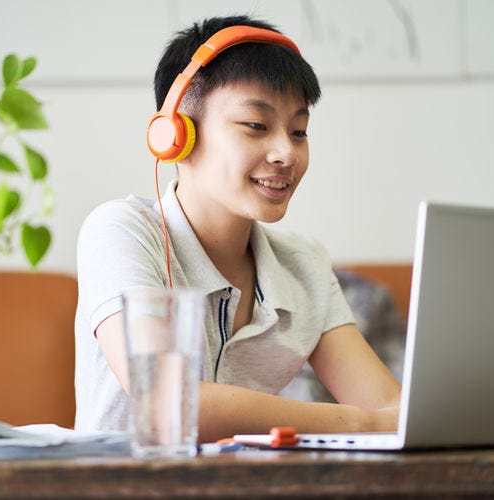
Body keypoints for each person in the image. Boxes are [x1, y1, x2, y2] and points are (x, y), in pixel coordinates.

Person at [75, 15, 400, 442]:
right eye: (256, 126)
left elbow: (390, 409)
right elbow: (166, 400)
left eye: (299, 131)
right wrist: (359, 423)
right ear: (176, 135)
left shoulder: (303, 263)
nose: (287, 152)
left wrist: (375, 418)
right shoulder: (122, 231)